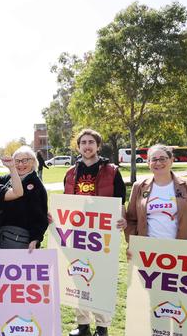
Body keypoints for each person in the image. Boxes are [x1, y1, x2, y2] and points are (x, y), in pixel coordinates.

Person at [63, 129, 126, 336]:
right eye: (83, 142)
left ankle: (102, 326)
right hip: (78, 234)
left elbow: (120, 201)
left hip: (103, 235)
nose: (87, 146)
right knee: (79, 276)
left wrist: (122, 218)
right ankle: (82, 325)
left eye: (91, 142)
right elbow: (66, 202)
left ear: (98, 146)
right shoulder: (71, 173)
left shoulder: (112, 171)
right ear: (78, 146)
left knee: (102, 279)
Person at [125, 144, 187, 245]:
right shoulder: (139, 187)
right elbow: (131, 220)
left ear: (171, 160)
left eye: (163, 159)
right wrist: (134, 242)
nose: (158, 163)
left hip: (183, 250)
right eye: (154, 159)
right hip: (148, 252)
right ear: (148, 163)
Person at [0, 147, 49, 249]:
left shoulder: (36, 185)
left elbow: (40, 216)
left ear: (33, 162)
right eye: (17, 161)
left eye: (25, 160)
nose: (20, 164)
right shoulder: (9, 178)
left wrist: (35, 239)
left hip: (20, 238)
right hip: (2, 234)